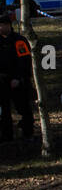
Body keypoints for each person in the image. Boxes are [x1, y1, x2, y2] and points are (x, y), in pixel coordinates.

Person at [0, 13, 35, 142]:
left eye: (2, 25)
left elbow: (24, 61)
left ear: (8, 26)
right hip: (2, 81)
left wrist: (18, 78)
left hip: (18, 80)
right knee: (4, 110)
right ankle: (6, 135)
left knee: (23, 107)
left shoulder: (18, 40)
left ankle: (28, 132)